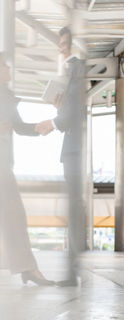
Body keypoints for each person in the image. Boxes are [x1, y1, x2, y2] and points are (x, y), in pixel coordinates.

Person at [35, 27, 87, 286]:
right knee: (73, 206)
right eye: (61, 44)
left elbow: (74, 113)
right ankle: (72, 267)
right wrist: (61, 107)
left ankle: (72, 268)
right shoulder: (72, 71)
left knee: (74, 206)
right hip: (72, 148)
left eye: (65, 43)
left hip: (75, 150)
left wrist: (54, 121)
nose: (61, 48)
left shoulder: (77, 67)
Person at [0, 54, 54, 286]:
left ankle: (27, 267)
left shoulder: (5, 95)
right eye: (4, 66)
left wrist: (39, 127)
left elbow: (18, 127)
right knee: (13, 215)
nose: (8, 70)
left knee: (14, 215)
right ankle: (28, 268)